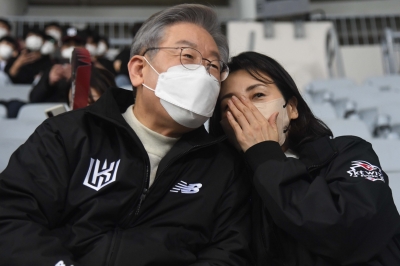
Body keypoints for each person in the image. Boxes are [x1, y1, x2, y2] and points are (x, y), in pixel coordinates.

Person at [0, 4, 252, 266]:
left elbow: (228, 252)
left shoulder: (223, 166)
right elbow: (13, 216)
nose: (203, 72)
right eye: (188, 56)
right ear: (139, 70)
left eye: (213, 65)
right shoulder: (69, 135)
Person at [209, 51, 400, 266]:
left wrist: (264, 153)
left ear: (291, 108)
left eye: (258, 96)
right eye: (229, 106)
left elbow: (347, 232)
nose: (247, 111)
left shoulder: (346, 152)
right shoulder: (228, 184)